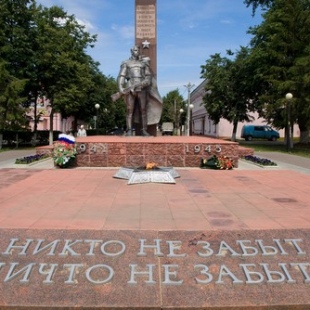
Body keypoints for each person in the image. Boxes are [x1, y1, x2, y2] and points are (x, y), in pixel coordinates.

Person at [117, 45, 162, 136]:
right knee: (130, 110)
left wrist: (142, 84)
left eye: (138, 50)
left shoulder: (143, 64)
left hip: (142, 89)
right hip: (130, 89)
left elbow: (148, 77)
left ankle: (144, 130)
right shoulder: (126, 63)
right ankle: (129, 130)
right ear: (131, 51)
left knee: (143, 110)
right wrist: (121, 88)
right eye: (135, 50)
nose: (137, 51)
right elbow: (121, 76)